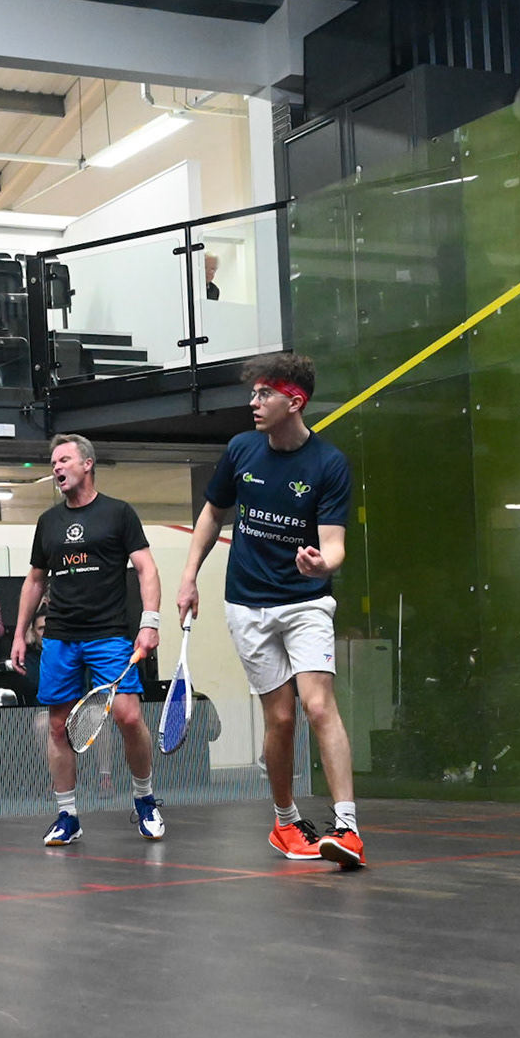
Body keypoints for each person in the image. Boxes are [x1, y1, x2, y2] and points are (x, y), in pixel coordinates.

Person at [176, 353, 362, 867]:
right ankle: (285, 823)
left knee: (318, 706)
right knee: (279, 719)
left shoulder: (329, 464)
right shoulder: (241, 449)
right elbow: (213, 513)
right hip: (248, 606)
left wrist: (322, 563)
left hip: (306, 602)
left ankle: (347, 828)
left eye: (264, 395)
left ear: (294, 402)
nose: (253, 403)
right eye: (253, 393)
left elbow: (335, 545)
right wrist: (189, 577)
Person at [10, 433, 164, 846]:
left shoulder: (119, 513)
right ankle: (68, 815)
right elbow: (35, 580)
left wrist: (149, 622)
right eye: (53, 463)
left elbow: (146, 569)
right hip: (60, 637)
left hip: (109, 634)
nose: (56, 468)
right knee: (58, 726)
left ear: (87, 464)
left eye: (64, 460)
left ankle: (145, 800)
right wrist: (20, 632)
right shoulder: (48, 522)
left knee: (128, 717)